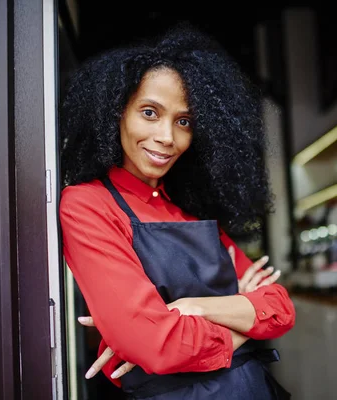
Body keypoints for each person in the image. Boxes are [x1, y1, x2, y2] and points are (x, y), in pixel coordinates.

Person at [58, 23, 296, 400]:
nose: (168, 137)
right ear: (116, 113)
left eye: (183, 121)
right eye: (150, 113)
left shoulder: (188, 211)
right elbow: (157, 345)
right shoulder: (88, 204)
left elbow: (281, 308)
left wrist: (193, 307)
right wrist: (242, 322)